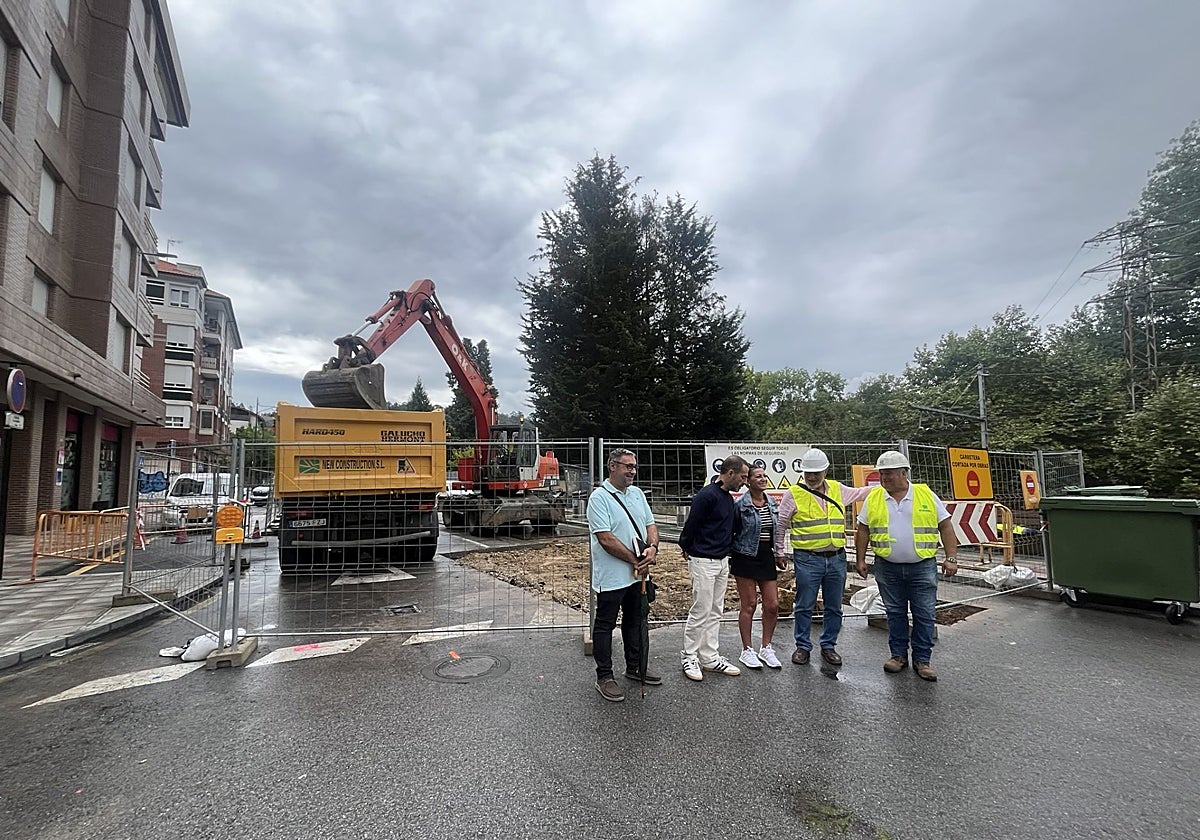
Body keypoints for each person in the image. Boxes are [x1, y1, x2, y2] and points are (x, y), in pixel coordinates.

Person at [854, 450, 959, 682]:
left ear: (903, 473)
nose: (884, 478)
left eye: (889, 474)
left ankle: (923, 659)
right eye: (882, 474)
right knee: (894, 613)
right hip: (887, 567)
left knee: (924, 613)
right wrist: (860, 559)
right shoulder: (874, 498)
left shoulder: (924, 494)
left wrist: (951, 557)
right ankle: (898, 656)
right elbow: (863, 529)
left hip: (922, 566)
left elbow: (946, 526)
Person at [773, 448, 872, 667]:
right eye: (808, 473)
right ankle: (802, 646)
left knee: (834, 605)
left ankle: (829, 645)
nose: (811, 477)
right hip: (808, 559)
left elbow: (861, 493)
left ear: (825, 470)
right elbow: (781, 525)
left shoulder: (838, 489)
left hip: (836, 558)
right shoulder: (794, 493)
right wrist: (779, 551)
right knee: (804, 604)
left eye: (816, 472)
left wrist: (886, 485)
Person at [587, 448, 661, 702]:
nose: (632, 471)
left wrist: (652, 549)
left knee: (636, 621)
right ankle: (605, 676)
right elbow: (605, 539)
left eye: (634, 467)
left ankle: (635, 667)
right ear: (612, 467)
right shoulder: (599, 497)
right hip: (612, 576)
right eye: (627, 466)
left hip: (638, 576)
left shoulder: (638, 494)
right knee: (605, 624)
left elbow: (651, 525)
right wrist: (636, 560)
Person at [678, 455, 749, 681]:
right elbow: (691, 525)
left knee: (715, 609)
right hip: (703, 561)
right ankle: (689, 656)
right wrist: (687, 547)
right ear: (730, 473)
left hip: (721, 561)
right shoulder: (707, 496)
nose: (744, 481)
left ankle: (709, 656)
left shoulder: (727, 498)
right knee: (701, 609)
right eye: (742, 476)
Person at [731, 465, 786, 670]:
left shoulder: (771, 502)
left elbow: (778, 530)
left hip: (765, 555)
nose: (763, 479)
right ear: (748, 481)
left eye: (764, 476)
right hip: (744, 555)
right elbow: (733, 530)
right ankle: (747, 650)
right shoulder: (740, 505)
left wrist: (779, 553)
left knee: (772, 604)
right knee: (749, 604)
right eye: (757, 476)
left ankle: (766, 647)